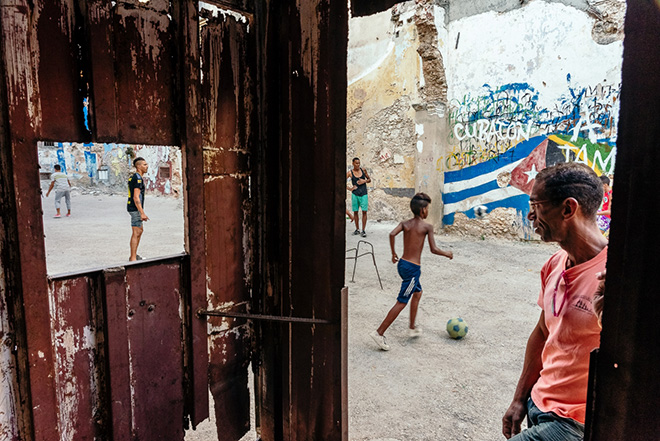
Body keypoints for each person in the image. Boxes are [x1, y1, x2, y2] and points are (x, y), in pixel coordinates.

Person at [502, 162, 608, 441]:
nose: (530, 215)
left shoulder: (615, 278)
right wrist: (519, 399)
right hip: (539, 403)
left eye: (536, 205)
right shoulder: (554, 264)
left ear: (567, 209)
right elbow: (542, 333)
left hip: (574, 423)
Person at [369, 193, 453, 351]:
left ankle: (412, 327)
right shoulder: (426, 227)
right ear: (422, 210)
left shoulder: (405, 223)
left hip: (402, 264)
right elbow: (434, 249)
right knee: (402, 301)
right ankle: (379, 333)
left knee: (418, 292)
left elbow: (392, 233)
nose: (428, 211)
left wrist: (393, 253)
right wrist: (447, 253)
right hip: (413, 270)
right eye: (427, 208)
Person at [127, 157, 149, 261]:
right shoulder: (137, 179)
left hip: (134, 207)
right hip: (135, 208)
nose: (146, 166)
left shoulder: (135, 177)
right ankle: (133, 258)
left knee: (139, 231)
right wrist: (142, 212)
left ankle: (134, 255)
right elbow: (136, 197)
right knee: (136, 232)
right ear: (138, 166)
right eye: (144, 165)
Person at [347, 157, 371, 237]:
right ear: (353, 163)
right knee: (356, 212)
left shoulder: (363, 170)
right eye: (356, 163)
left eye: (359, 163)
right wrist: (350, 189)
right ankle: (357, 229)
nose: (358, 165)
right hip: (355, 194)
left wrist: (364, 181)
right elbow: (341, 181)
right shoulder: (350, 173)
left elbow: (369, 179)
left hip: (364, 193)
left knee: (364, 211)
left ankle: (363, 230)